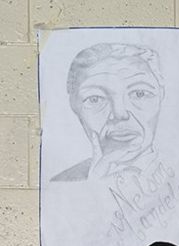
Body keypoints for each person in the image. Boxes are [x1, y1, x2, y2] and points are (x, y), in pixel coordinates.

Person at [52, 43, 165, 182]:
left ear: (161, 96)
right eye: (95, 99)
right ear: (74, 106)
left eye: (139, 94)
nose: (120, 114)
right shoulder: (61, 184)